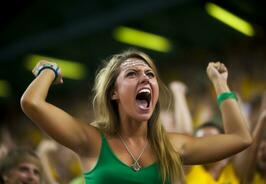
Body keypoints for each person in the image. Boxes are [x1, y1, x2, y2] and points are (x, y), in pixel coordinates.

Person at [20, 48, 252, 184]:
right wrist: (48, 70)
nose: (145, 78)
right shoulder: (90, 139)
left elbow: (240, 138)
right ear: (114, 93)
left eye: (150, 74)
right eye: (132, 73)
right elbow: (31, 102)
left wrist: (220, 83)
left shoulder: (171, 145)